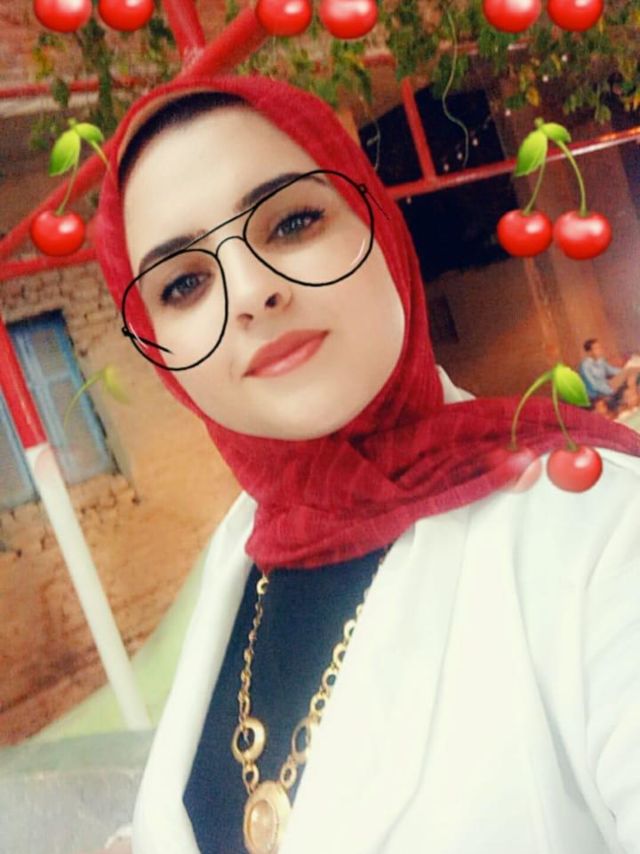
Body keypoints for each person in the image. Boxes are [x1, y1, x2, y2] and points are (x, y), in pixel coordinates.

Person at [94, 73, 640, 854]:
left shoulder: (596, 530)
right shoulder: (245, 545)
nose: (250, 292)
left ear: (378, 225)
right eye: (182, 284)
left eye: (293, 222)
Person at [579, 337, 640, 405]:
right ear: (589, 352)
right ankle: (633, 396)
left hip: (607, 384)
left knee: (630, 371)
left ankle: (633, 394)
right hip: (597, 393)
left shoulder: (600, 360)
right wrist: (610, 391)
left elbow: (611, 370)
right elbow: (593, 385)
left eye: (600, 347)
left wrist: (624, 371)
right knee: (629, 375)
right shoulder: (585, 366)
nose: (600, 350)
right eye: (596, 348)